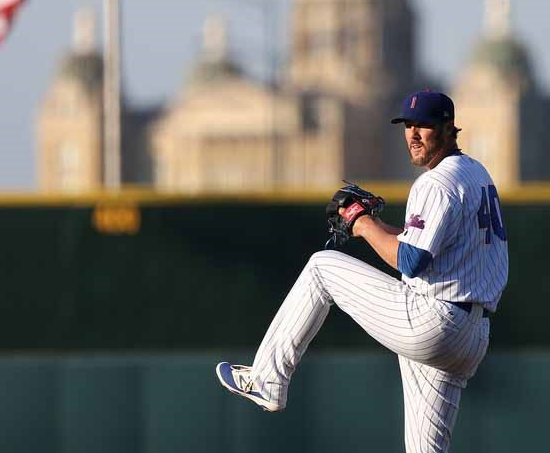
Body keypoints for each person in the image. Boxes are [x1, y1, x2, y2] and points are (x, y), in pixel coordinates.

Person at [216, 90, 509, 453]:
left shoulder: (435, 183)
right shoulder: (475, 173)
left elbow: (411, 261)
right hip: (471, 335)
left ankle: (267, 381)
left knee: (321, 269)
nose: (414, 134)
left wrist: (362, 223)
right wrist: (368, 224)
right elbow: (419, 246)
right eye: (409, 125)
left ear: (449, 129)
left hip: (434, 320)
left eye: (425, 126)